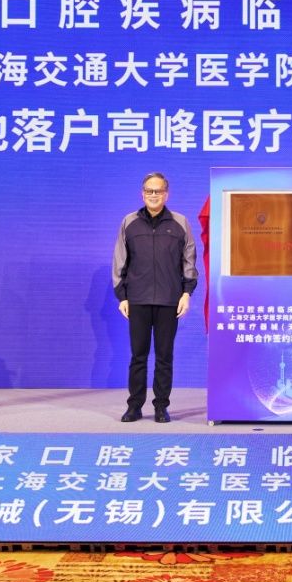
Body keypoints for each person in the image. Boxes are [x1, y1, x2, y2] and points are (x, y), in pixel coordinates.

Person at [112, 172, 197, 423]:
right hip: (137, 299)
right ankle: (134, 407)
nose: (153, 195)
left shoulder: (180, 222)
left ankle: (161, 407)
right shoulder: (129, 222)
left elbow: (189, 260)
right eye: (149, 191)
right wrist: (122, 296)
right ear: (142, 194)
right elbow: (119, 260)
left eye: (158, 191)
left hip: (169, 300)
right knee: (138, 356)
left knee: (164, 357)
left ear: (166, 194)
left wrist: (186, 293)